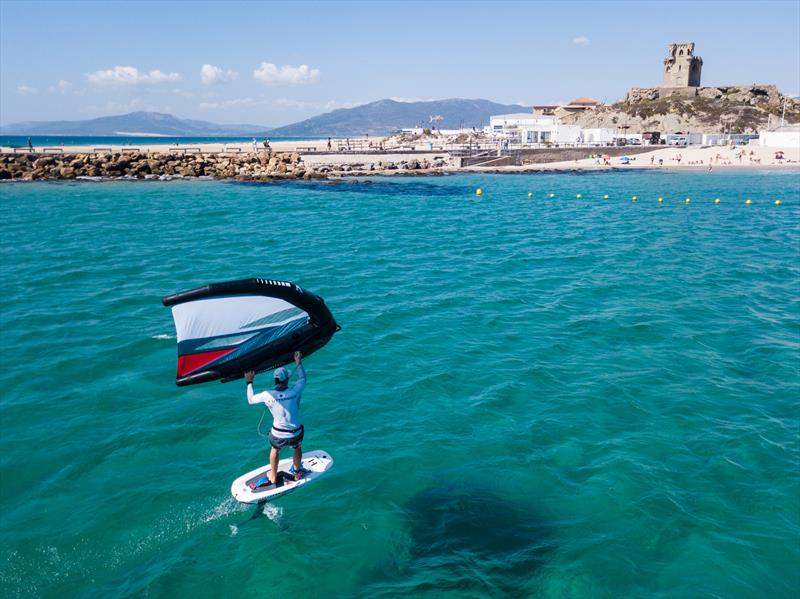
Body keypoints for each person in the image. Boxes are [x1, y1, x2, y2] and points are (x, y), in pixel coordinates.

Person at [245, 351, 307, 485]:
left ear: (276, 380)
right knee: (297, 447)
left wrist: (249, 381)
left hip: (278, 434)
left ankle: (273, 476)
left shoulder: (268, 395)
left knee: (275, 449)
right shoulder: (295, 391)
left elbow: (250, 399)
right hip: (295, 433)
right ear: (287, 380)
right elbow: (303, 379)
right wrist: (298, 362)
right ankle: (297, 472)